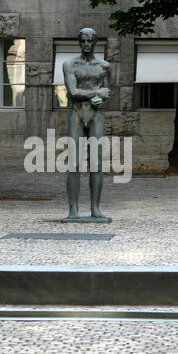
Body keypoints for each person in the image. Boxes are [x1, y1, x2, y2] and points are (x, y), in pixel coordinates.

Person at [62, 27, 111, 219]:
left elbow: (107, 91)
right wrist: (96, 93)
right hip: (77, 113)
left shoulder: (104, 66)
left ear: (95, 42)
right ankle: (73, 210)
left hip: (96, 115)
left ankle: (95, 208)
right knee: (74, 163)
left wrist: (102, 97)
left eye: (90, 40)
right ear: (79, 42)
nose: (86, 44)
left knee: (97, 163)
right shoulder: (69, 64)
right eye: (83, 41)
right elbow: (73, 92)